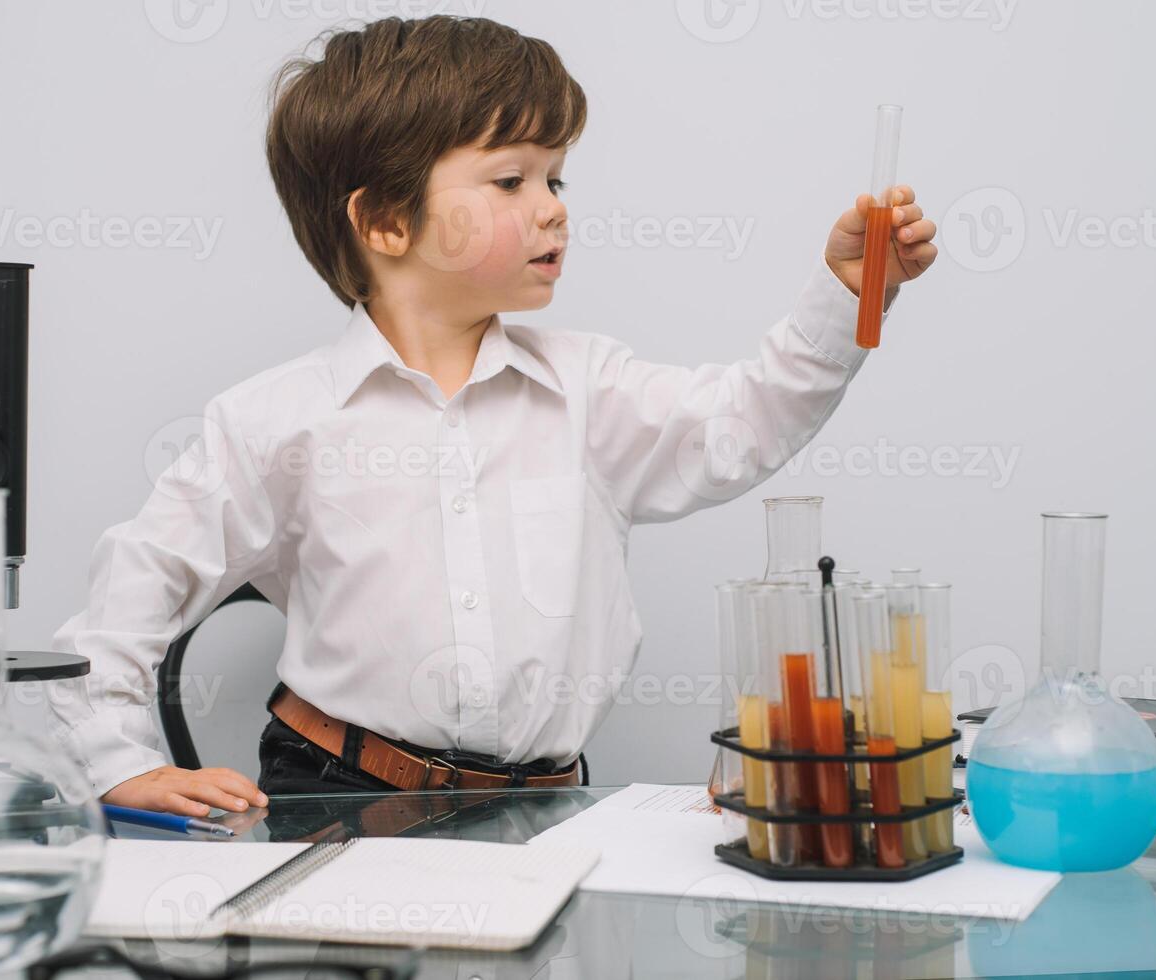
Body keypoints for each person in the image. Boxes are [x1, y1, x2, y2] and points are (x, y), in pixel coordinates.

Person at [48, 15, 938, 817]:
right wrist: (115, 761)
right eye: (511, 179)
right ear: (387, 221)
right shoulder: (278, 419)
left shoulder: (589, 388)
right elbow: (136, 584)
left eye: (556, 177)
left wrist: (847, 296)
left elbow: (744, 423)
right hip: (336, 797)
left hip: (553, 807)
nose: (553, 206)